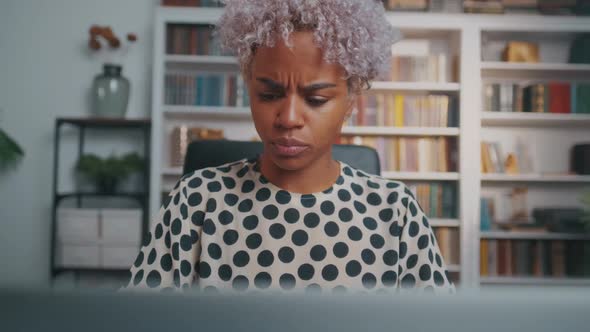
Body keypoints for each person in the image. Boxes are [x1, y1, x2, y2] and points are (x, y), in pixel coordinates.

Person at [125, 0, 455, 294]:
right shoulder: (196, 199)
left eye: (316, 99)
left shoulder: (395, 210)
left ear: (351, 99)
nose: (288, 118)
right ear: (248, 86)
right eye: (269, 96)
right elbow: (135, 321)